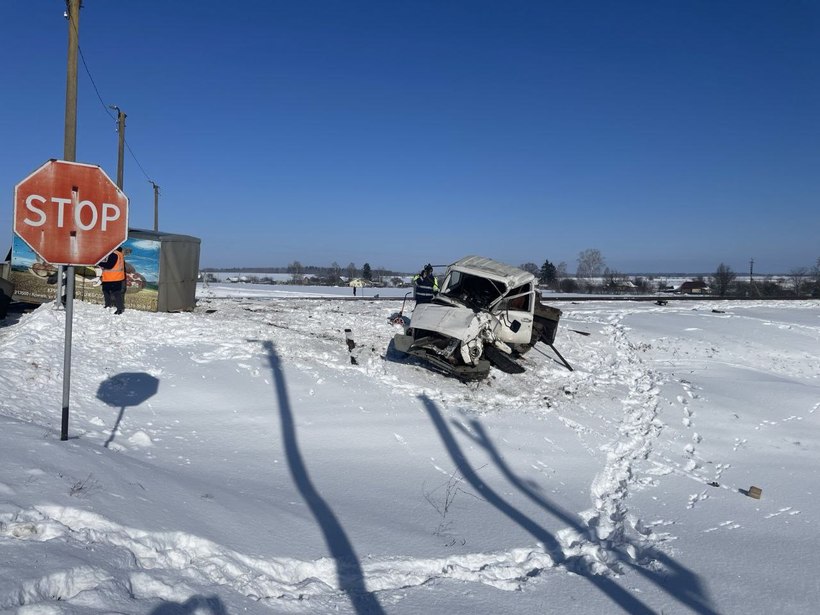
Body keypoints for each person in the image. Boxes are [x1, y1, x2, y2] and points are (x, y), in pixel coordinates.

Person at [98, 246, 126, 314]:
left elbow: (109, 265)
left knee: (115, 293)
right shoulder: (119, 254)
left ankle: (119, 308)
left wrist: (99, 263)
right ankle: (109, 305)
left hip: (112, 277)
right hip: (115, 277)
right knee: (106, 290)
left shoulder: (113, 254)